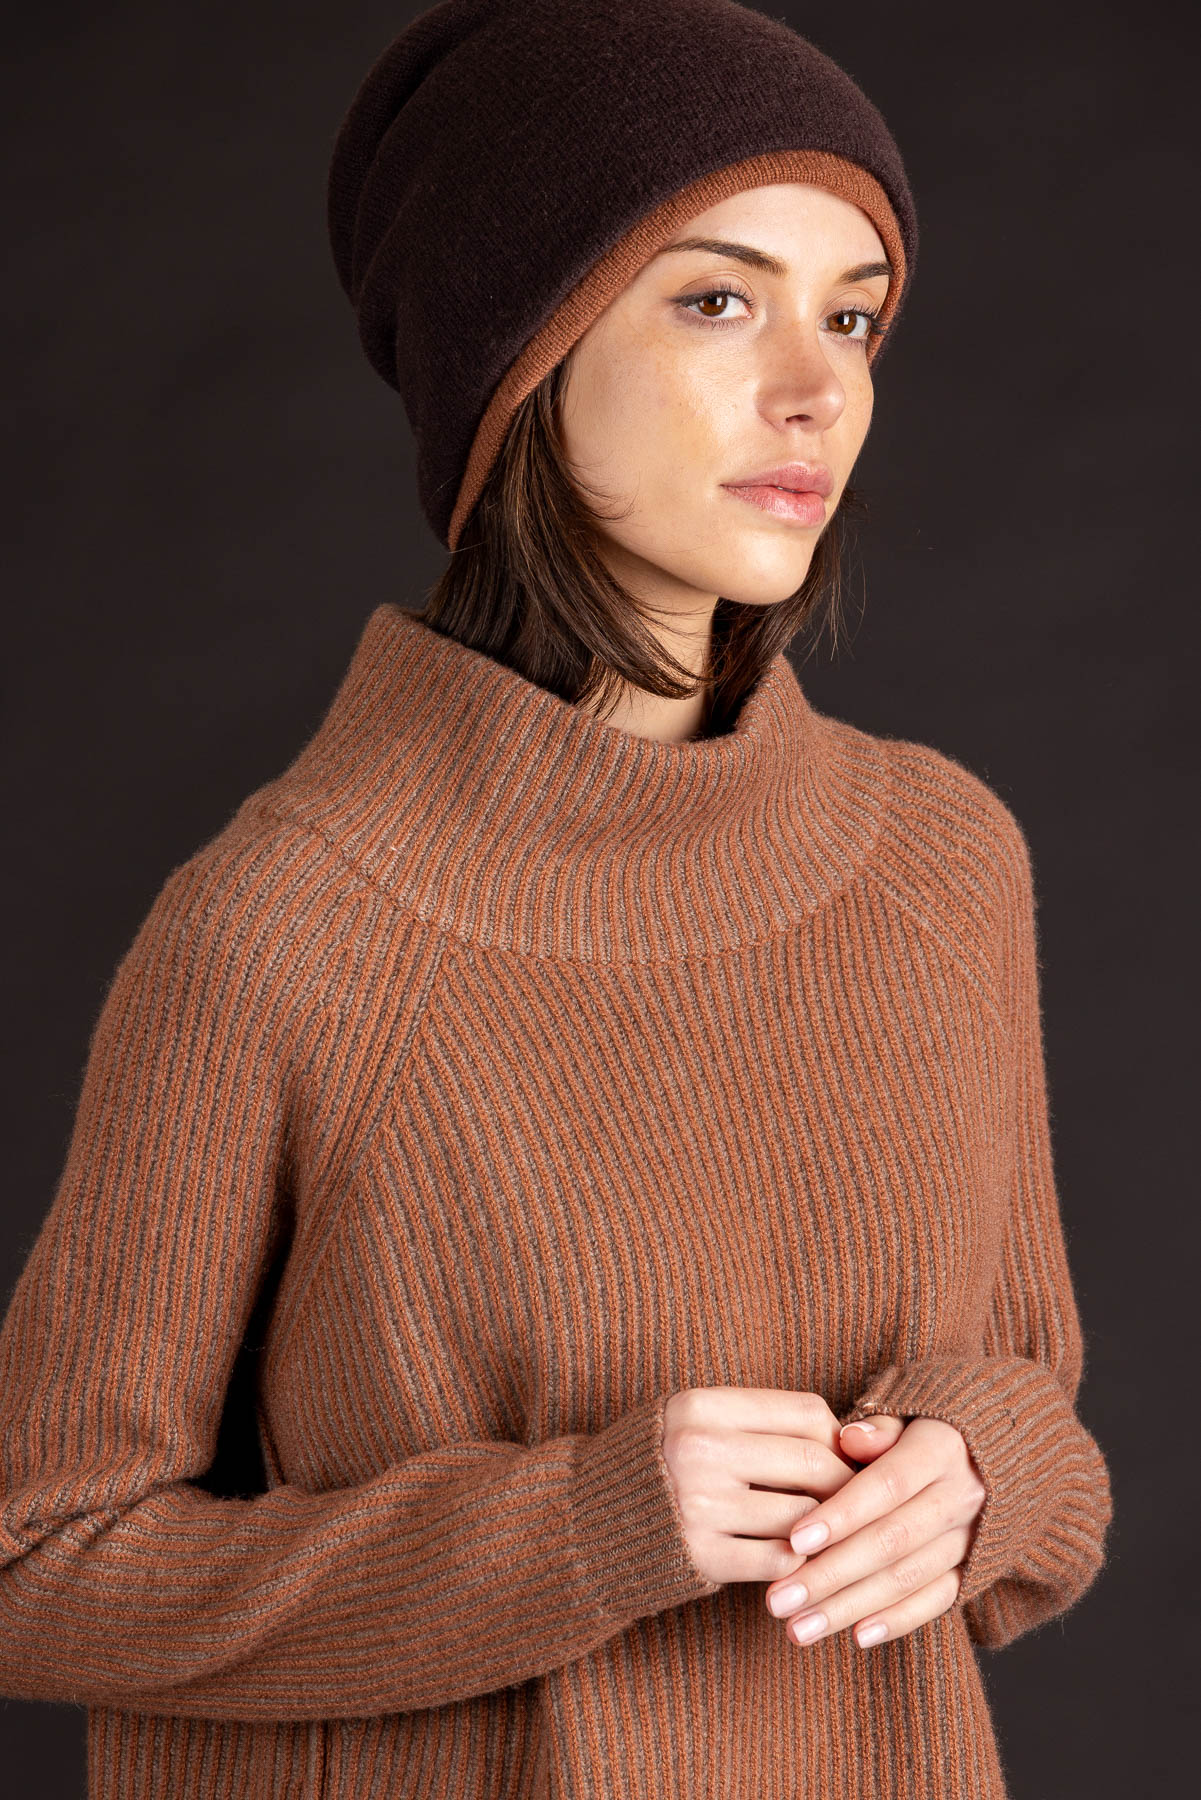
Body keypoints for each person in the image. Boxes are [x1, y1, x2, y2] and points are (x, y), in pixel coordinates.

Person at [0, 3, 1112, 1797]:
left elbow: (1039, 1418)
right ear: (516, 350)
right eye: (717, 299)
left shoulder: (939, 859)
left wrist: (983, 1465)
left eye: (852, 317)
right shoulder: (288, 929)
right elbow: (36, 1563)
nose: (817, 389)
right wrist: (577, 1526)